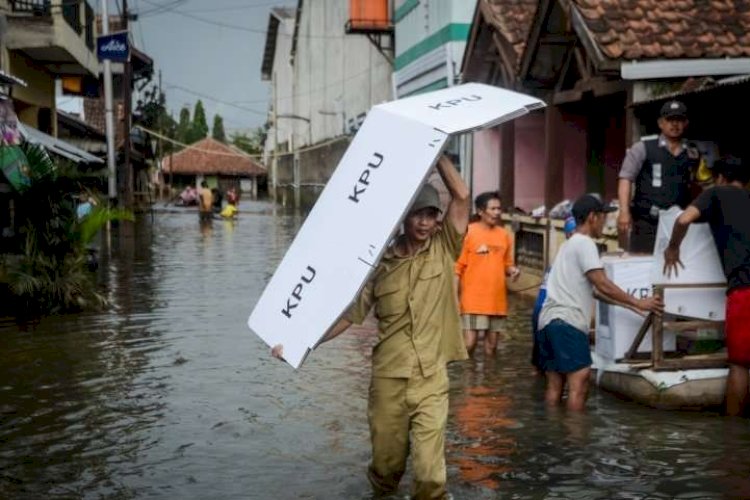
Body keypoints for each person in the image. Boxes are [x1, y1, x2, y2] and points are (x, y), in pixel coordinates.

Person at [272, 155, 470, 499]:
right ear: (402, 218)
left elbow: (462, 197)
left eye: (431, 215)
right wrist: (299, 342)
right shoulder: (378, 265)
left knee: (429, 475)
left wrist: (437, 153)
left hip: (431, 378)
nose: (425, 224)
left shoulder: (444, 248)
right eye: (417, 215)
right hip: (388, 378)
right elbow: (349, 316)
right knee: (386, 470)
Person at [538, 194, 663, 410]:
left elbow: (594, 290)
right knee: (580, 381)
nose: (606, 222)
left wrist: (629, 305)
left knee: (554, 386)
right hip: (567, 321)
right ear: (592, 217)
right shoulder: (585, 244)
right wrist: (638, 301)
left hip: (547, 322)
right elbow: (601, 283)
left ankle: (553, 435)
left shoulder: (567, 245)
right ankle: (575, 440)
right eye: (603, 217)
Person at [663, 156, 750, 416]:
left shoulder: (715, 193)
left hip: (744, 290)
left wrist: (673, 247)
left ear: (721, 177)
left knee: (740, 366)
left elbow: (683, 219)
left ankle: (731, 439)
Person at [617, 100, 700, 253]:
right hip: (647, 222)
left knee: (675, 272)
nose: (675, 124)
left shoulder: (692, 153)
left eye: (679, 120)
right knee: (644, 267)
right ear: (660, 123)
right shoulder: (642, 148)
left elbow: (697, 186)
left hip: (678, 225)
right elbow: (626, 178)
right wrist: (624, 211)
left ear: (686, 123)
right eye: (670, 120)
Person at [455, 191, 520, 356]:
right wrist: (454, 298)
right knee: (469, 345)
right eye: (493, 209)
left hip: (497, 301)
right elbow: (457, 268)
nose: (497, 212)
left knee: (491, 349)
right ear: (480, 211)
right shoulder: (468, 232)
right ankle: (466, 380)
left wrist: (513, 271)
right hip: (472, 300)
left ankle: (489, 381)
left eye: (499, 209)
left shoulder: (504, 235)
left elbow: (507, 264)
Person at [531, 216, 576, 372]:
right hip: (552, 315)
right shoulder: (572, 254)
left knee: (542, 364)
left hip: (540, 313)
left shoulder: (561, 253)